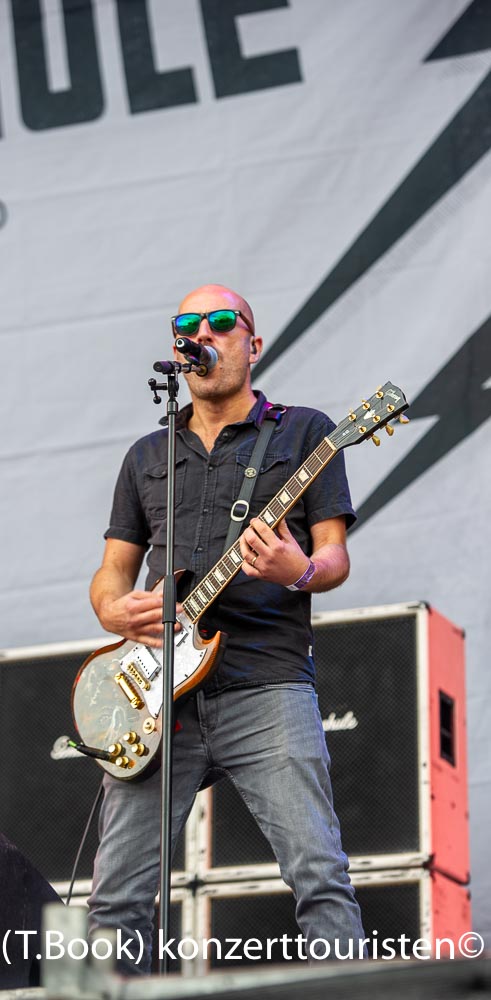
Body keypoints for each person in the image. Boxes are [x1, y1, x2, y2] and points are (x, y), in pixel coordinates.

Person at [87, 283, 366, 973]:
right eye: (188, 323)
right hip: (159, 697)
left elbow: (333, 557)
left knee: (319, 875)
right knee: (115, 899)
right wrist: (113, 610)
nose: (202, 333)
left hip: (265, 682)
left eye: (220, 321)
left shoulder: (305, 432)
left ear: (253, 343)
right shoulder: (148, 454)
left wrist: (299, 570)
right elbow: (112, 573)